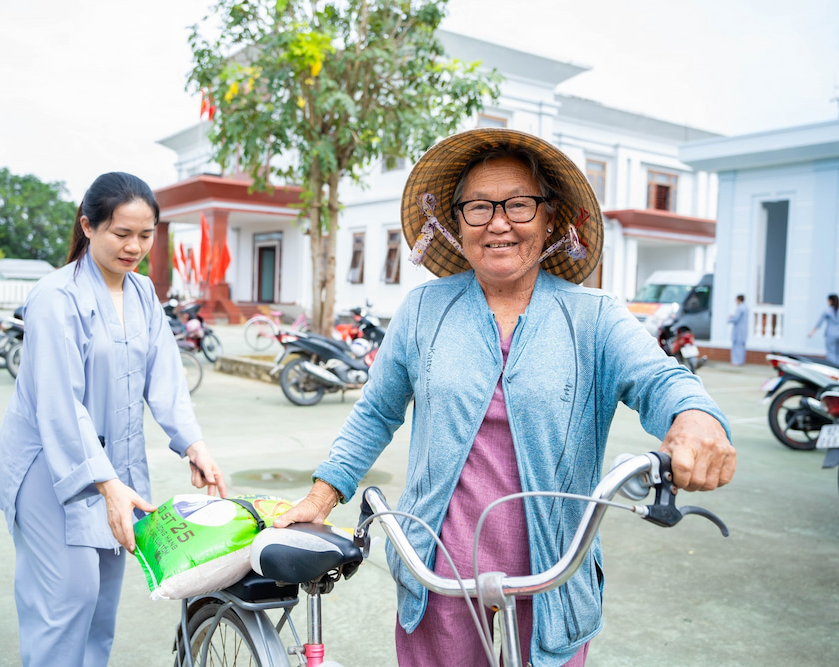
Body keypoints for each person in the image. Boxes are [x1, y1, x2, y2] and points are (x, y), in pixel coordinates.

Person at [274, 129, 736, 666]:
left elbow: (659, 378)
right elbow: (376, 412)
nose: (498, 222)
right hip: (438, 566)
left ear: (550, 218)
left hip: (554, 574)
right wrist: (321, 497)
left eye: (519, 204)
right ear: (456, 221)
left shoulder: (594, 316)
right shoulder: (423, 309)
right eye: (478, 207)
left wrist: (695, 415)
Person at [0, 172, 227, 667]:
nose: (134, 247)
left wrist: (192, 443)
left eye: (145, 235)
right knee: (65, 603)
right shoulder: (55, 297)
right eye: (122, 234)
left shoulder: (143, 295)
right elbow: (58, 403)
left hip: (115, 466)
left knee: (100, 606)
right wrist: (104, 481)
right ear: (89, 226)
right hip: (49, 469)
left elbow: (166, 378)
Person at [809, 293, 839, 365]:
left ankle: (832, 368)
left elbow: (819, 322)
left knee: (831, 353)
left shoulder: (828, 310)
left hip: (831, 335)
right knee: (837, 353)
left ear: (830, 301)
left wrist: (812, 332)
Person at [728, 294, 749, 365]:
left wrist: (730, 318)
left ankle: (737, 362)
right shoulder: (745, 308)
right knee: (741, 346)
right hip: (743, 330)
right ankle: (740, 361)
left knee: (737, 346)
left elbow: (736, 318)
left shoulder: (740, 308)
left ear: (738, 300)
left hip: (738, 331)